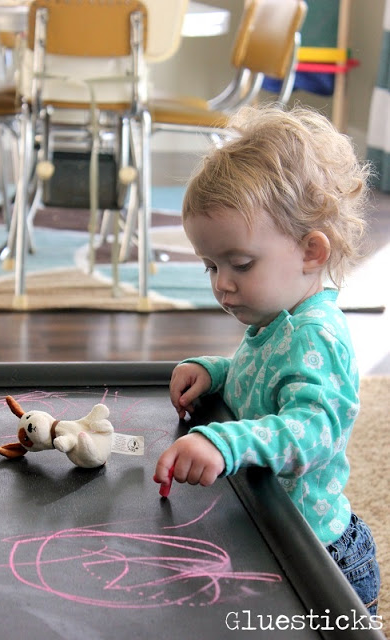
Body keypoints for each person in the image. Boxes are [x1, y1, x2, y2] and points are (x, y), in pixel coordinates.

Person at [153, 105, 380, 616]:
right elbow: (266, 384)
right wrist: (217, 373)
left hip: (320, 558)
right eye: (211, 265)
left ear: (311, 252)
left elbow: (311, 430)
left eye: (241, 263)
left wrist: (227, 439)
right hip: (273, 522)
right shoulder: (278, 318)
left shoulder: (315, 335)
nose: (222, 284)